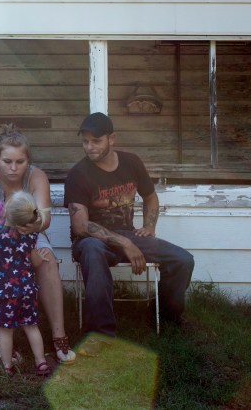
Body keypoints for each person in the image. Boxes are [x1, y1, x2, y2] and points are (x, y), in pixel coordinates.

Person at [64, 112, 195, 336]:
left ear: (111, 139)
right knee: (92, 251)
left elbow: (151, 197)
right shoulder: (79, 174)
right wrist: (125, 242)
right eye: (85, 142)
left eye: (96, 141)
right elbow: (81, 225)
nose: (89, 147)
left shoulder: (131, 163)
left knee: (183, 260)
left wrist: (149, 227)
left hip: (128, 234)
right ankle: (101, 333)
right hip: (91, 241)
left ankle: (166, 315)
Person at [0, 124, 76, 364]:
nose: (13, 168)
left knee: (47, 260)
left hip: (30, 231)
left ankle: (59, 335)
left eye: (20, 162)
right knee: (4, 268)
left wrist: (30, 230)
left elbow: (44, 219)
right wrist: (18, 240)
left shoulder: (36, 176)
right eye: (7, 161)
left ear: (27, 160)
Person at [0, 190, 54, 377]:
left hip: (4, 292)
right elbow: (35, 263)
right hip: (26, 290)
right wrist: (40, 257)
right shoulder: (30, 237)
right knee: (31, 326)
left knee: (5, 330)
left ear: (6, 211)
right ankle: (41, 362)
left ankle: (7, 366)